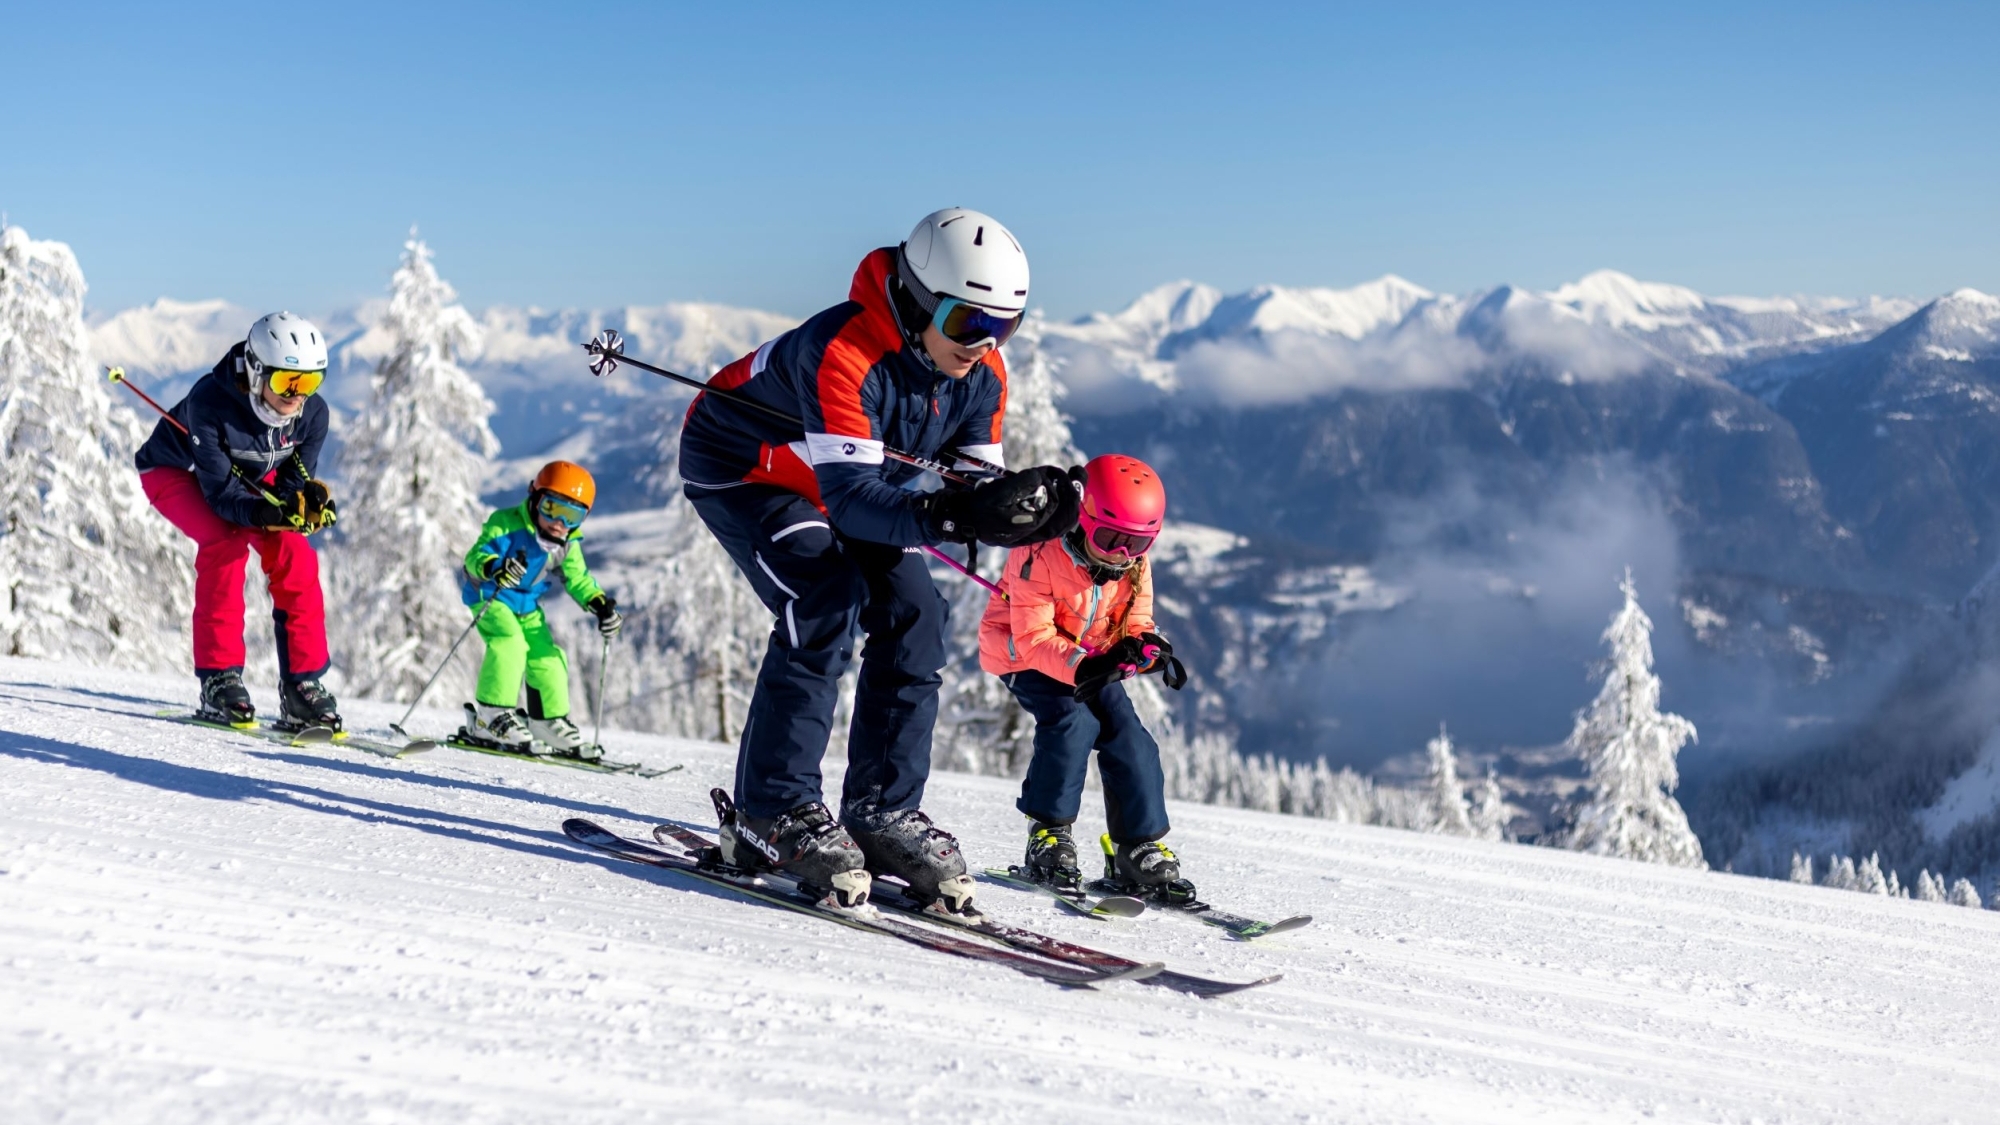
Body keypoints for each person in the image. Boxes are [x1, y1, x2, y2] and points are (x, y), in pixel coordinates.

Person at [679, 207, 1080, 911]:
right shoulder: (846, 351)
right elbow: (859, 500)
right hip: (749, 470)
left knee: (918, 616)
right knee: (824, 595)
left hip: (852, 485)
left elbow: (968, 488)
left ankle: (880, 811)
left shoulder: (983, 375)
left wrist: (1028, 510)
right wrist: (954, 513)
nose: (984, 345)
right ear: (919, 300)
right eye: (968, 323)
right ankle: (770, 812)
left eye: (1003, 327)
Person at [978, 454, 1194, 902]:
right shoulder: (1037, 552)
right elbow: (1035, 638)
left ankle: (1137, 847)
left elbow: (1137, 619)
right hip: (1024, 657)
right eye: (1111, 538)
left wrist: (1147, 645)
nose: (1122, 554)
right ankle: (1049, 836)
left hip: (1086, 658)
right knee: (1072, 723)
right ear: (1083, 517)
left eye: (1137, 543)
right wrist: (1087, 665)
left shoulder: (1133, 563)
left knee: (1129, 736)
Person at [135, 312, 342, 731]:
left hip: (247, 478)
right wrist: (265, 512)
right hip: (174, 472)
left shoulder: (313, 415)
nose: (298, 397)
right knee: (224, 544)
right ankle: (219, 678)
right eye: (288, 382)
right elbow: (220, 497)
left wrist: (301, 502)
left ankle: (302, 688)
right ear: (257, 370)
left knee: (295, 556)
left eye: (311, 382)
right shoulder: (209, 404)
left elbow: (291, 478)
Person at [456, 460, 623, 759]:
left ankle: (547, 723)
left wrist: (599, 604)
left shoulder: (566, 543)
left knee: (548, 656)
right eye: (551, 508)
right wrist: (494, 567)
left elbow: (578, 578)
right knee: (509, 644)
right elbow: (475, 556)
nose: (559, 522)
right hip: (492, 595)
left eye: (572, 515)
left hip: (527, 605)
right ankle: (490, 717)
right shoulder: (504, 523)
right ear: (534, 497)